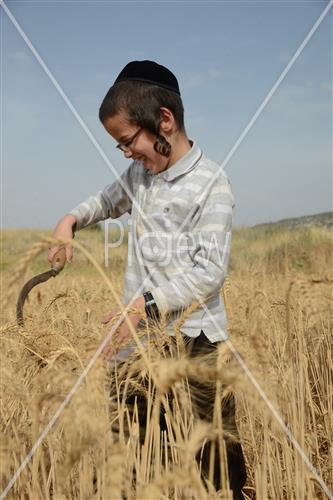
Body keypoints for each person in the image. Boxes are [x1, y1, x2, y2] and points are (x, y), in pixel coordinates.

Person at [48, 60, 247, 498]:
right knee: (128, 446)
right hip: (136, 335)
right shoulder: (141, 175)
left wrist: (146, 304)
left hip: (195, 338)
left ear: (164, 120)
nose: (126, 154)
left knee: (214, 451)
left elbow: (210, 271)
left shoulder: (212, 184)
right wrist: (70, 220)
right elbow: (104, 201)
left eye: (127, 142)